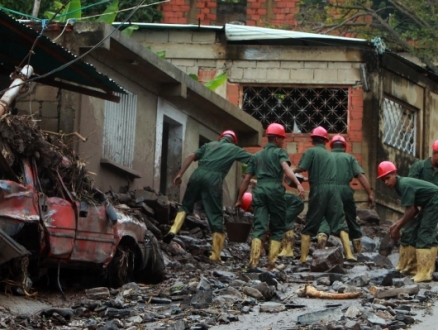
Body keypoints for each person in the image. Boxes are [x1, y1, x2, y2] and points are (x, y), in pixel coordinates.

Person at [163, 130, 252, 263]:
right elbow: (254, 160)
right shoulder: (234, 149)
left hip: (197, 175)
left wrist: (179, 174)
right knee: (215, 214)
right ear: (233, 141)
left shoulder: (208, 145)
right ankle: (215, 255)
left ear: (220, 137)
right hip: (213, 179)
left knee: (186, 205)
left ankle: (173, 230)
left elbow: (191, 156)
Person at [235, 123, 305, 270]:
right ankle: (271, 263)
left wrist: (239, 198)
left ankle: (253, 262)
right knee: (278, 227)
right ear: (277, 139)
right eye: (283, 138)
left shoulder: (256, 156)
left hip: (259, 190)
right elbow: (286, 169)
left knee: (259, 226)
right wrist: (298, 183)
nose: (283, 141)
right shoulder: (280, 153)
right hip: (275, 190)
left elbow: (246, 179)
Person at [294, 126, 356, 262]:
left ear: (312, 140)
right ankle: (349, 254)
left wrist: (290, 171)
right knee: (339, 220)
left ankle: (303, 257)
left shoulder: (311, 152)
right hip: (333, 190)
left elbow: (302, 168)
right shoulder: (330, 155)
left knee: (311, 220)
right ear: (325, 141)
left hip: (319, 189)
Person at [379, 160, 438, 282]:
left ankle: (425, 273)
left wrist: (397, 228)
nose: (386, 182)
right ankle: (411, 267)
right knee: (414, 231)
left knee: (425, 233)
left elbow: (411, 210)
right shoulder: (399, 185)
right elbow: (415, 209)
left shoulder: (404, 185)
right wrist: (397, 224)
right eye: (383, 180)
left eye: (388, 178)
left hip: (434, 201)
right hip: (428, 203)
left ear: (395, 173)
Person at [316, 135, 374, 252]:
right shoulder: (350, 158)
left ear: (331, 146)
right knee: (351, 218)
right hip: (345, 191)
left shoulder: (325, 157)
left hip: (328, 190)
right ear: (344, 147)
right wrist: (369, 193)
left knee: (325, 217)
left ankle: (321, 244)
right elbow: (360, 176)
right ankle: (357, 250)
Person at [396, 140, 438, 276]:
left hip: (433, 207)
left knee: (428, 235)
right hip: (416, 207)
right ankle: (406, 265)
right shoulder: (419, 166)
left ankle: (426, 269)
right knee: (409, 232)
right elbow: (410, 186)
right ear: (435, 153)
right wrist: (414, 208)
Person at [240, 190, 305, 258]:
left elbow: (265, 227)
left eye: (250, 210)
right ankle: (280, 247)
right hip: (287, 205)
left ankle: (288, 250)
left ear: (252, 204)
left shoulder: (263, 205)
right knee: (275, 225)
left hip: (295, 204)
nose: (251, 213)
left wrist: (261, 247)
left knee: (284, 223)